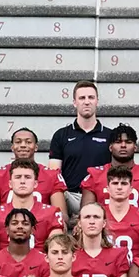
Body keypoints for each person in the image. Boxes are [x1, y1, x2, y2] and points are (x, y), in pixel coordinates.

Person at [48, 80, 109, 212]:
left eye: (91, 97)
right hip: (70, 196)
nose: (87, 102)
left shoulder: (110, 135)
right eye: (82, 98)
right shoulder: (61, 135)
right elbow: (54, 174)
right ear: (74, 102)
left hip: (100, 196)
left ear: (97, 101)